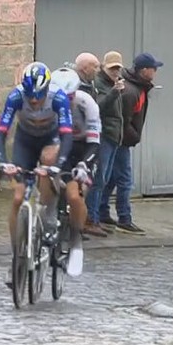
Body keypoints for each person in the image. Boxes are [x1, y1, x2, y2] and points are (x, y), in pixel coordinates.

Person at [0, 62, 74, 260]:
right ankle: (17, 256)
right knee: (17, 198)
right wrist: (3, 162)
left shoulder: (58, 98)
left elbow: (67, 135)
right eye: (29, 97)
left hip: (51, 138)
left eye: (37, 98)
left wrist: (57, 166)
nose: (33, 102)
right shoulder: (15, 96)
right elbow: (0, 133)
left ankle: (49, 216)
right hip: (25, 140)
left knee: (48, 162)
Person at [48, 67, 98, 275]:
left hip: (85, 149)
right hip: (61, 147)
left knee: (75, 197)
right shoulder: (47, 102)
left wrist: (84, 164)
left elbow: (95, 141)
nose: (65, 101)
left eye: (69, 97)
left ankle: (76, 241)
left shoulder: (87, 103)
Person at [108, 53, 160, 235]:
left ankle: (102, 211)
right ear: (144, 70)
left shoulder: (138, 88)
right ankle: (124, 218)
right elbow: (122, 119)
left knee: (113, 177)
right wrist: (134, 136)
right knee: (124, 180)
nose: (155, 72)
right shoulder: (131, 92)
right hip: (121, 140)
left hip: (121, 139)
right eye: (154, 68)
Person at [85, 50, 126, 238]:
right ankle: (90, 219)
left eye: (118, 68)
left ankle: (99, 215)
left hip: (114, 136)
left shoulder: (115, 84)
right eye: (112, 69)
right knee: (98, 179)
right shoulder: (101, 84)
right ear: (104, 67)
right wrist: (113, 93)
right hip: (103, 136)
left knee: (106, 179)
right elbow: (97, 107)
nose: (116, 72)